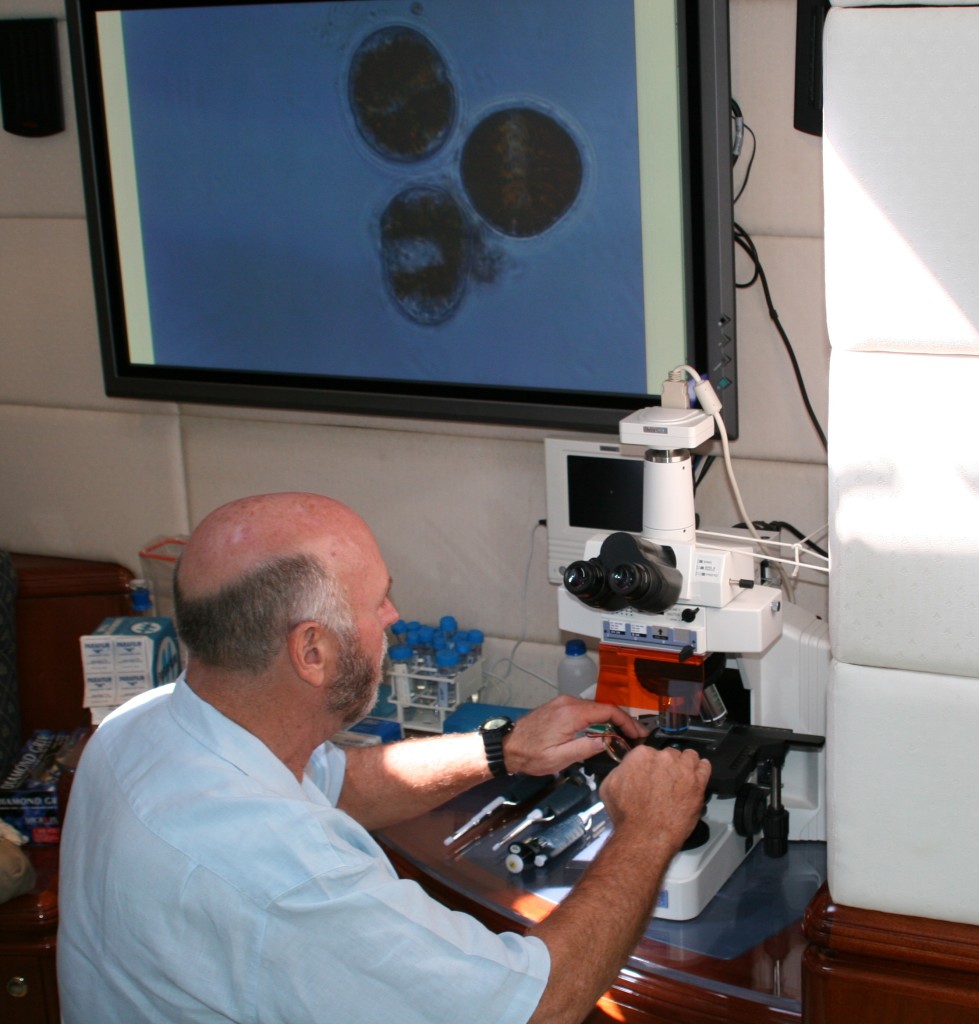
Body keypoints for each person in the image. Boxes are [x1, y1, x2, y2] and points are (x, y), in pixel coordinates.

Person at [58, 492, 710, 1024]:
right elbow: (541, 1005)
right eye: (376, 604)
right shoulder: (275, 872)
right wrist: (649, 828)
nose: (394, 618)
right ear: (311, 651)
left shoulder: (140, 728)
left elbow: (335, 784)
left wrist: (503, 750)